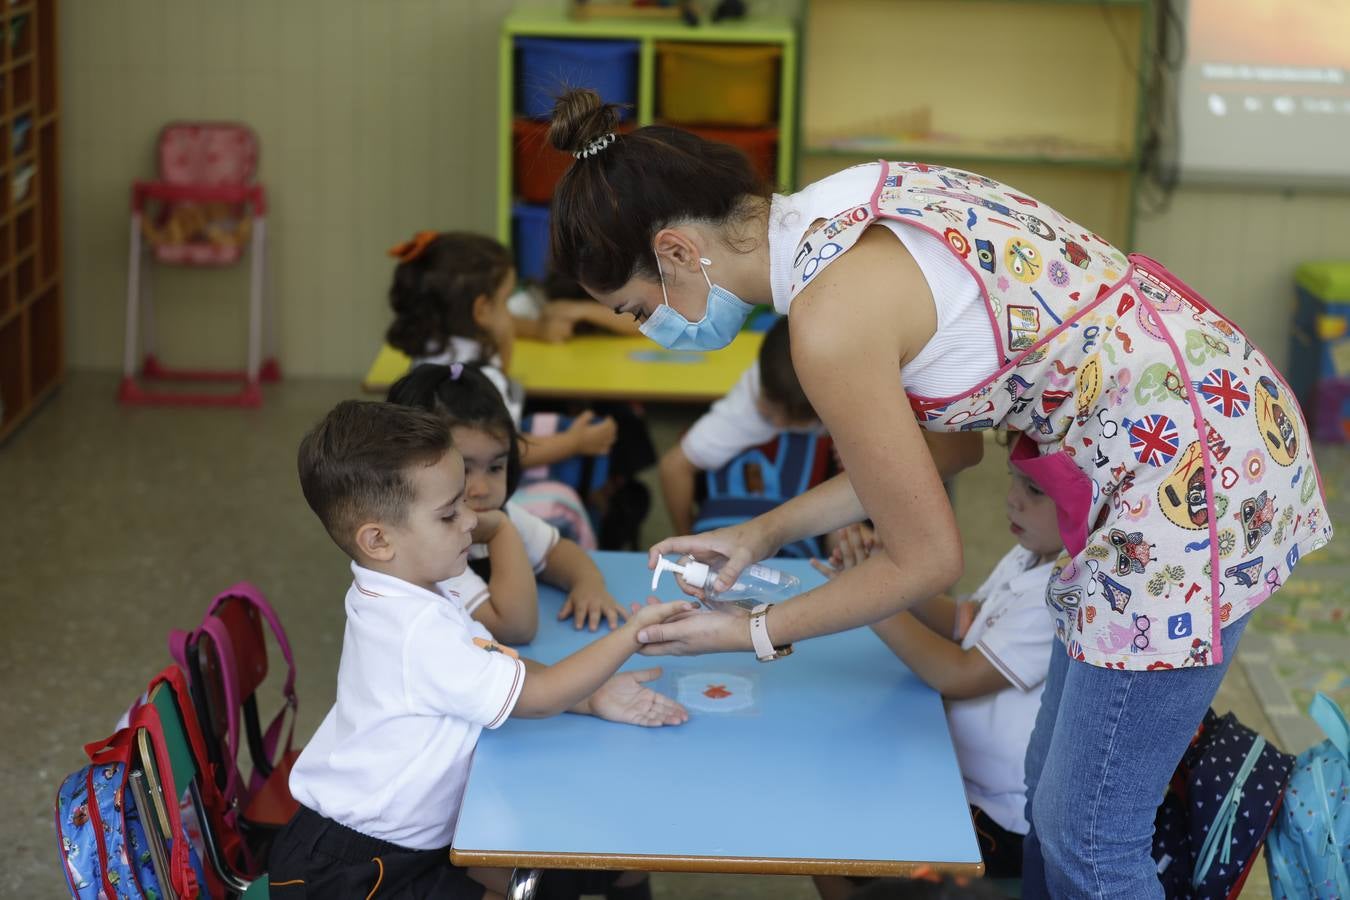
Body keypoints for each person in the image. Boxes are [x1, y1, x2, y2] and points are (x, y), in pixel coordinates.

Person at [543, 87, 1333, 897]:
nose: (652, 329)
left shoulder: (828, 319)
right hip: (1204, 405)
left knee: (1090, 837)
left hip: (1185, 472)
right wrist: (764, 532)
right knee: (1053, 799)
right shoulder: (845, 202)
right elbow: (946, 448)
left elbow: (924, 560)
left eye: (640, 309)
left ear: (676, 252)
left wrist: (748, 631)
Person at [271, 399, 690, 899]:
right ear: (378, 539)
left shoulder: (406, 583)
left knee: (602, 866)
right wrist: (632, 635)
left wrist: (591, 696)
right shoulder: (414, 625)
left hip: (395, 844)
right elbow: (538, 697)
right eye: (449, 514)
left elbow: (493, 659)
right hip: (354, 870)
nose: (472, 520)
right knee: (547, 883)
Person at [813, 442, 1059, 887]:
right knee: (832, 828)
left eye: (1035, 491)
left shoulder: (1058, 592)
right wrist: (890, 575)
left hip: (999, 817)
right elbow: (967, 622)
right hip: (954, 775)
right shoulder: (1030, 554)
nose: (1012, 498)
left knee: (835, 844)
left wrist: (872, 600)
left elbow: (959, 675)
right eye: (1013, 480)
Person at [388, 362, 627, 633]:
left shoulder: (498, 512)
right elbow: (515, 627)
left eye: (495, 467)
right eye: (463, 471)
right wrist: (501, 531)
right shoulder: (425, 548)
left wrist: (587, 583)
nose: (481, 488)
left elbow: (557, 551)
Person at [384, 230, 618, 467]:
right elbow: (509, 453)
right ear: (482, 311)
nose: (509, 315)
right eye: (505, 302)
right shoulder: (480, 378)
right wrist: (575, 442)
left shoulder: (431, 348)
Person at [659, 316, 828, 537]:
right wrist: (685, 535)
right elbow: (673, 467)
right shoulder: (749, 401)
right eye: (768, 410)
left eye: (790, 421)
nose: (777, 424)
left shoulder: (858, 403)